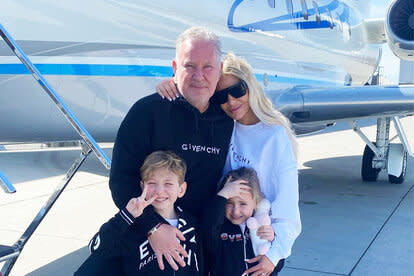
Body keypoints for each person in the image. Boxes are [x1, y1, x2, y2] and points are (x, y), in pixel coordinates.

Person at [157, 52, 301, 275]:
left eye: (237, 91)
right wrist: (174, 86)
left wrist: (273, 256)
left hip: (259, 245)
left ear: (250, 87)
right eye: (222, 96)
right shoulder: (223, 125)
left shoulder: (275, 136)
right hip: (222, 242)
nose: (231, 102)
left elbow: (288, 207)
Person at [109, 26, 233, 272]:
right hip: (153, 243)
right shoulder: (147, 113)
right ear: (175, 68)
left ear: (219, 71)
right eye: (190, 66)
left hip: (206, 241)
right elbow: (121, 182)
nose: (199, 75)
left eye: (208, 67)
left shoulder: (229, 118)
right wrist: (153, 227)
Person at [75, 151, 203, 275]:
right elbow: (96, 247)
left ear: (181, 189)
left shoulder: (193, 224)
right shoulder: (133, 224)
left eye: (168, 183)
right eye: (152, 183)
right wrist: (126, 216)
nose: (159, 190)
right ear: (142, 187)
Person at [202, 167, 284, 276]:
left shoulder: (262, 227)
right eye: (229, 202)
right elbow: (207, 227)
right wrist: (223, 194)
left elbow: (276, 266)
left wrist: (272, 242)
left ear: (256, 203)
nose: (236, 211)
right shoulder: (219, 228)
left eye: (243, 204)